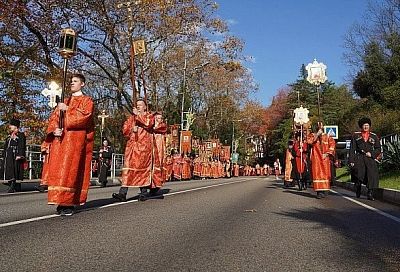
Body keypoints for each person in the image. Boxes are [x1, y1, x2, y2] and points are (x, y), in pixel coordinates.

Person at [41, 73, 95, 215]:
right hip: (61, 143)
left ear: (82, 84)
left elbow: (84, 118)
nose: (72, 83)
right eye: (71, 81)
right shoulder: (65, 101)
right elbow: (54, 118)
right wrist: (54, 130)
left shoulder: (87, 100)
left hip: (75, 142)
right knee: (58, 171)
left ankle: (69, 203)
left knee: (71, 172)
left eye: (75, 81)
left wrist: (68, 110)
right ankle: (60, 201)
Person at [112, 98, 163, 201]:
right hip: (132, 148)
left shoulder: (149, 116)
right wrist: (131, 129)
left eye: (140, 105)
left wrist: (138, 116)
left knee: (142, 170)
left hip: (144, 148)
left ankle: (144, 192)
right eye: (137, 105)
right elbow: (125, 131)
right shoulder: (131, 118)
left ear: (145, 107)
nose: (138, 106)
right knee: (128, 170)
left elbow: (149, 124)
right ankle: (122, 193)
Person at [349, 117, 381, 200]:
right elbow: (352, 149)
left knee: (372, 175)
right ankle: (358, 187)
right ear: (361, 126)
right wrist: (351, 160)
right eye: (364, 125)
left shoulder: (374, 136)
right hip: (359, 158)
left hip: (370, 158)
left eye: (367, 125)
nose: (366, 127)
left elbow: (378, 148)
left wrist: (372, 154)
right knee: (359, 175)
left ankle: (370, 193)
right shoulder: (356, 136)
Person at [307, 121, 335, 199]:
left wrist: (327, 153)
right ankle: (319, 191)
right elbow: (309, 142)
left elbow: (332, 144)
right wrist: (317, 134)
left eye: (321, 125)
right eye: (318, 125)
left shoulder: (327, 136)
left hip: (325, 158)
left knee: (325, 174)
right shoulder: (312, 135)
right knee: (317, 174)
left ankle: (325, 189)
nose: (320, 126)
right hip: (316, 159)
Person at [1, 118, 26, 193]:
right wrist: (3, 156)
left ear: (16, 126)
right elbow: (6, 147)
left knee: (14, 170)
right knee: (9, 169)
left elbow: (22, 145)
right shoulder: (9, 136)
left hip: (15, 154)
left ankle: (13, 185)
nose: (10, 126)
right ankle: (13, 184)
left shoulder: (21, 135)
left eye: (11, 125)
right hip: (8, 155)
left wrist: (20, 155)